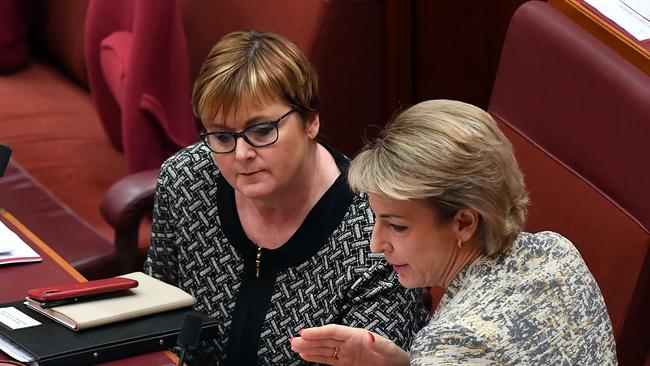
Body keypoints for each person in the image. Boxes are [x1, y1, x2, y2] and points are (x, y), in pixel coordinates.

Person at [143, 30, 429, 365]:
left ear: (311, 120)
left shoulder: (376, 229)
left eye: (262, 131)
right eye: (222, 136)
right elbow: (152, 321)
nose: (241, 154)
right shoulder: (187, 180)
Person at [290, 99, 617, 365]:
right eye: (377, 219)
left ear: (463, 222)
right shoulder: (557, 251)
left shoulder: (454, 342)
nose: (376, 244)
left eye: (398, 226)